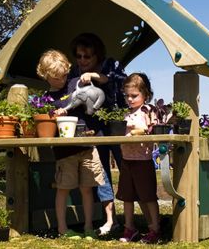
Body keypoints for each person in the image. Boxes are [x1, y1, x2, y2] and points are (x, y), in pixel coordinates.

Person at [36, 49, 105, 240]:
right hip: (65, 151)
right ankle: (63, 229)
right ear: (46, 76)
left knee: (87, 188)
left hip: (86, 146)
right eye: (57, 78)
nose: (62, 80)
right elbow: (45, 124)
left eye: (64, 75)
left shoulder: (75, 84)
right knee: (63, 188)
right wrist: (53, 115)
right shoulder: (46, 99)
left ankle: (89, 226)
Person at [68, 33, 127, 235]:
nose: (82, 61)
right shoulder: (75, 72)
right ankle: (111, 220)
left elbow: (121, 83)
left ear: (97, 56)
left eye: (87, 56)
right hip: (94, 128)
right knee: (101, 173)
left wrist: (95, 76)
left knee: (127, 169)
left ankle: (132, 220)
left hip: (118, 125)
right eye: (79, 56)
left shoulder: (111, 65)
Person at [116, 73, 160, 244]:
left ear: (145, 95)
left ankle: (154, 229)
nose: (130, 99)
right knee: (127, 196)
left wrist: (139, 127)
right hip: (126, 159)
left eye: (134, 96)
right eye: (127, 96)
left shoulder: (148, 110)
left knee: (147, 196)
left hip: (143, 160)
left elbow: (153, 129)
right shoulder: (125, 113)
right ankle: (129, 228)